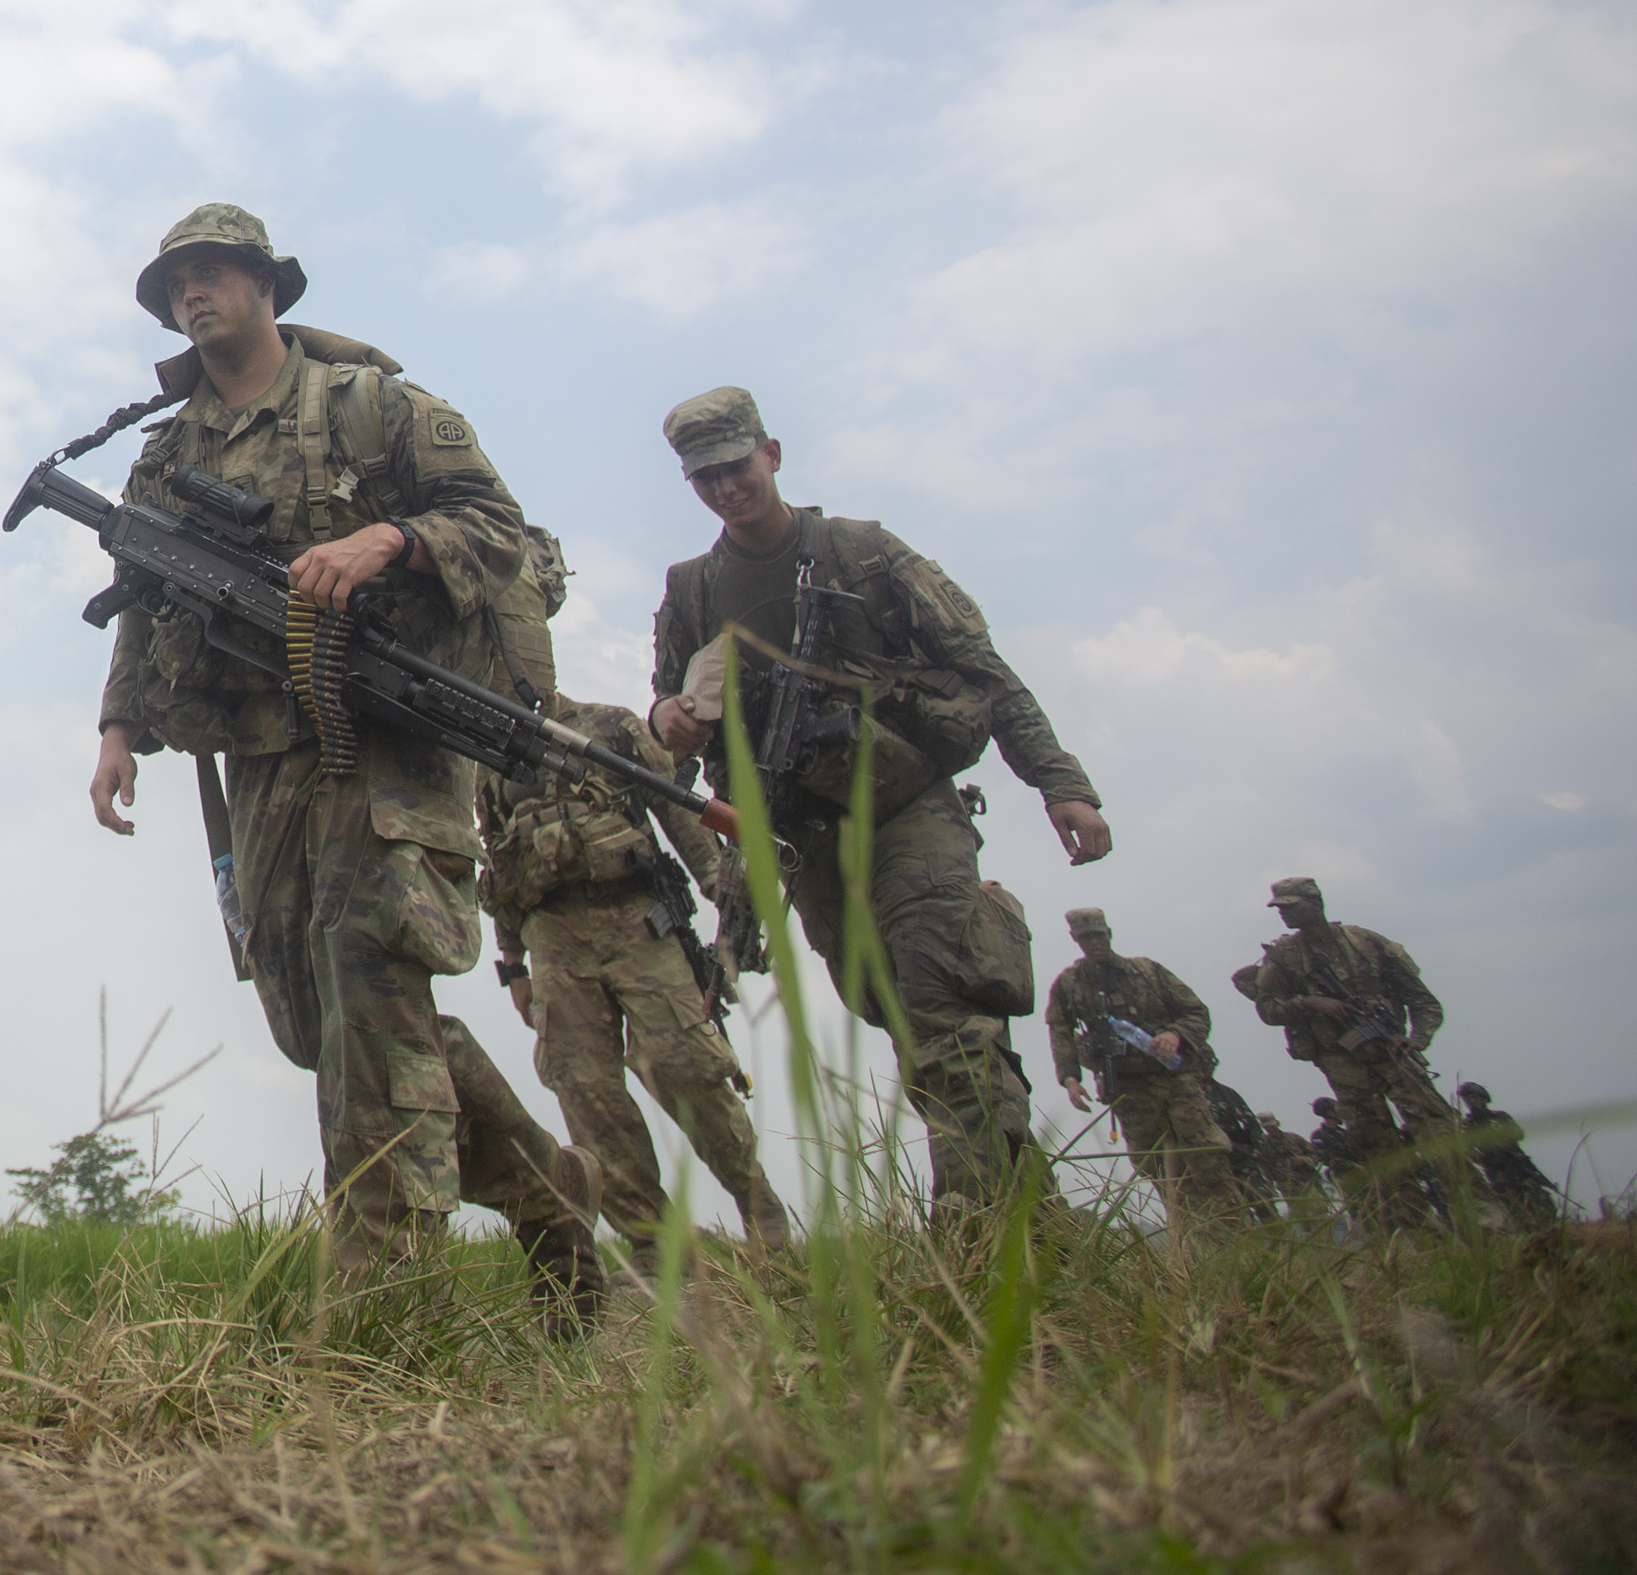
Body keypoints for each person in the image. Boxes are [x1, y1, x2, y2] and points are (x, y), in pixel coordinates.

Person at [85, 206, 606, 1319]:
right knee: (311, 1020)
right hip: (257, 754)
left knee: (370, 996)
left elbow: (494, 524)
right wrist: (119, 726)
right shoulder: (168, 447)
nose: (193, 291)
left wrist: (391, 539)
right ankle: (547, 1193)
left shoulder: (373, 405)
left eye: (213, 272)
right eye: (177, 279)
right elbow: (149, 587)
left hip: (382, 742)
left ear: (267, 286)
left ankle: (381, 1310)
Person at [642, 389, 1111, 1207]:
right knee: (891, 1007)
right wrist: (666, 722)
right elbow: (668, 719)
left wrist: (1060, 783)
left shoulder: (861, 551)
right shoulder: (692, 590)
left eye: (735, 467)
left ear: (772, 453)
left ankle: (969, 1233)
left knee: (939, 999)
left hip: (906, 810)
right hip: (804, 841)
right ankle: (1025, 1216)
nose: (724, 489)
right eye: (704, 478)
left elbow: (982, 666)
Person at [479, 677, 794, 1250]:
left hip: (637, 920)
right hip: (552, 936)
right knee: (586, 1095)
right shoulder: (492, 752)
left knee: (686, 1067)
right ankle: (655, 1248)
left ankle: (765, 1222)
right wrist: (512, 964)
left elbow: (679, 810)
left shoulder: (611, 725)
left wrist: (720, 890)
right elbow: (498, 861)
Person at [1244, 878, 1456, 1230]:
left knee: (1441, 1137)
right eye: (1279, 907)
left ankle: (1483, 1224)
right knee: (1380, 1151)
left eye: (1291, 905)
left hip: (1394, 1055)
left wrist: (1417, 1039)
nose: (1283, 913)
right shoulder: (1284, 958)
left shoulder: (1367, 943)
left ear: (1316, 902)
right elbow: (1268, 1009)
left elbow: (1422, 1001)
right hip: (1343, 1066)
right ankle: (1419, 1236)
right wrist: (1309, 1002)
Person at [1042, 909, 1245, 1231]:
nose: (1092, 943)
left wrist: (1173, 1035)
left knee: (1208, 1155)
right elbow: (1059, 1030)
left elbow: (1196, 1013)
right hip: (1128, 1089)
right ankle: (1191, 1238)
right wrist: (1070, 1079)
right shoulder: (1070, 984)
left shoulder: (1146, 972)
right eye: (1085, 937)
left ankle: (1234, 1232)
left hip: (1175, 1080)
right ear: (1074, 939)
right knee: (1158, 1166)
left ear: (1108, 933)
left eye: (1097, 935)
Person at [1454, 1085, 1561, 1231]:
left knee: (1540, 1201)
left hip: (1519, 1167)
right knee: (1513, 1209)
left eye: (1473, 1098)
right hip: (1498, 1173)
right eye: (1467, 1099)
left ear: (1483, 1099)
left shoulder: (1499, 1117)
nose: (1470, 1102)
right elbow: (1468, 1152)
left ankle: (1552, 1230)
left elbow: (1518, 1134)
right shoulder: (1467, 1125)